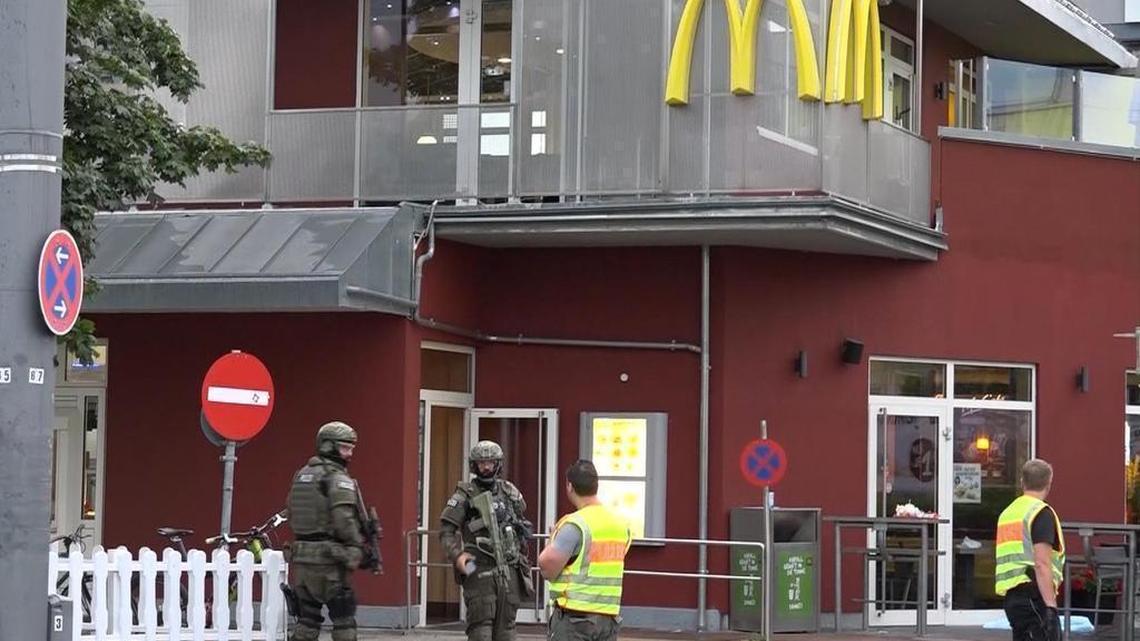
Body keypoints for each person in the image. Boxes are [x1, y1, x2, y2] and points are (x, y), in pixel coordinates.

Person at [284, 421, 372, 641]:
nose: (350, 453)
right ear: (327, 446)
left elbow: (291, 512)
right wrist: (357, 548)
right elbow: (344, 521)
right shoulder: (338, 479)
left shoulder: (301, 475)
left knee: (307, 622)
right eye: (345, 448)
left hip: (303, 561)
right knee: (344, 623)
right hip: (330, 565)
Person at [440, 440, 534, 641]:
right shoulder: (464, 495)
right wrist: (458, 556)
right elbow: (446, 532)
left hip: (509, 568)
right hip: (477, 567)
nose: (486, 467)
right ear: (474, 465)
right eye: (481, 463)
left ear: (498, 463)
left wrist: (521, 533)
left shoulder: (509, 492)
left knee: (507, 630)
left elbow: (522, 522)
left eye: (491, 462)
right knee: (480, 630)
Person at [538, 460, 631, 641]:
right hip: (608, 619)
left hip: (575, 620)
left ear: (570, 486)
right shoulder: (620, 524)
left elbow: (547, 567)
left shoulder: (576, 525)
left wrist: (551, 541)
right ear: (596, 486)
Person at [995, 458, 1065, 641]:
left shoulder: (1008, 512)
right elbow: (1042, 563)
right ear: (1049, 483)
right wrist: (1051, 607)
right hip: (1034, 595)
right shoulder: (1040, 513)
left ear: (1022, 482)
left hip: (1013, 597)